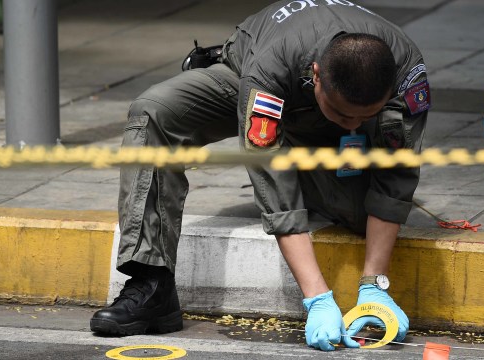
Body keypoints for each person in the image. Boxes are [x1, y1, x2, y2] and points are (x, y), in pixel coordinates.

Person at [90, 0, 429, 352]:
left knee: (358, 214)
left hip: (324, 132)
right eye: (345, 115)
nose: (355, 123)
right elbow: (272, 180)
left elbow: (397, 175)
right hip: (251, 77)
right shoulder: (271, 67)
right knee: (155, 111)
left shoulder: (407, 71)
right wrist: (318, 299)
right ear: (315, 75)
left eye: (365, 116)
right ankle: (151, 284)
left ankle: (316, 163)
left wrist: (374, 284)